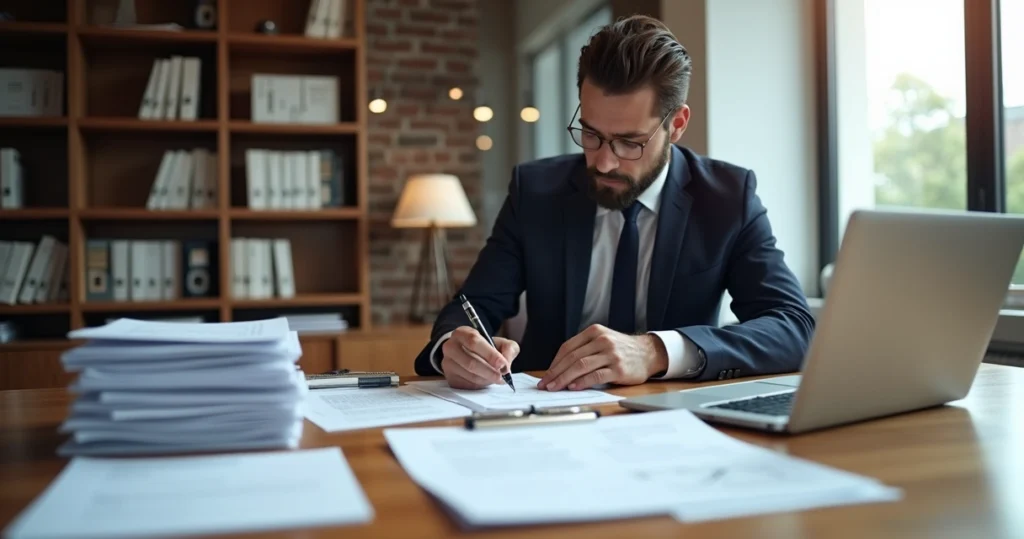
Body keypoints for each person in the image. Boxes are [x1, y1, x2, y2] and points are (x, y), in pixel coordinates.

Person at [412, 14, 815, 391]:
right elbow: (473, 306)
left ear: (676, 125)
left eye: (629, 142)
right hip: (547, 414)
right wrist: (455, 345)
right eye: (590, 134)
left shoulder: (727, 198)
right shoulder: (535, 191)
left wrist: (656, 351)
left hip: (670, 424)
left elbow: (794, 327)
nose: (604, 161)